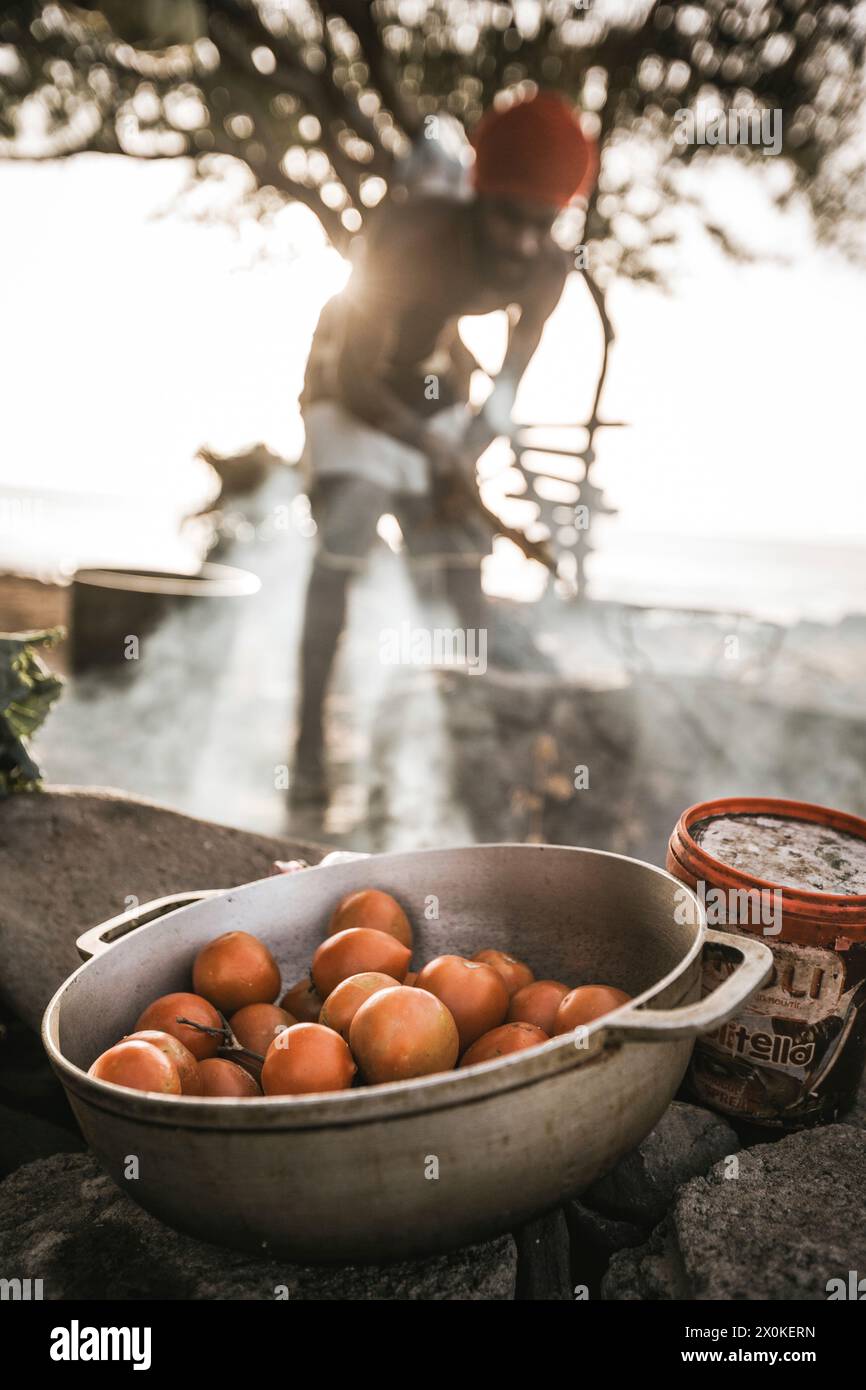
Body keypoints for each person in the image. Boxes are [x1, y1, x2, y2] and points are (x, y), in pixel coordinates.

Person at [293, 90, 597, 802]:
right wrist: (432, 448)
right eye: (509, 219)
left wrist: (471, 449)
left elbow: (507, 387)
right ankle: (307, 749)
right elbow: (352, 375)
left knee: (463, 561)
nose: (524, 241)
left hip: (435, 396)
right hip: (350, 387)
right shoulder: (410, 234)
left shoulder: (550, 269)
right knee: (347, 536)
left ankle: (470, 750)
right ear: (475, 196)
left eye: (543, 224)